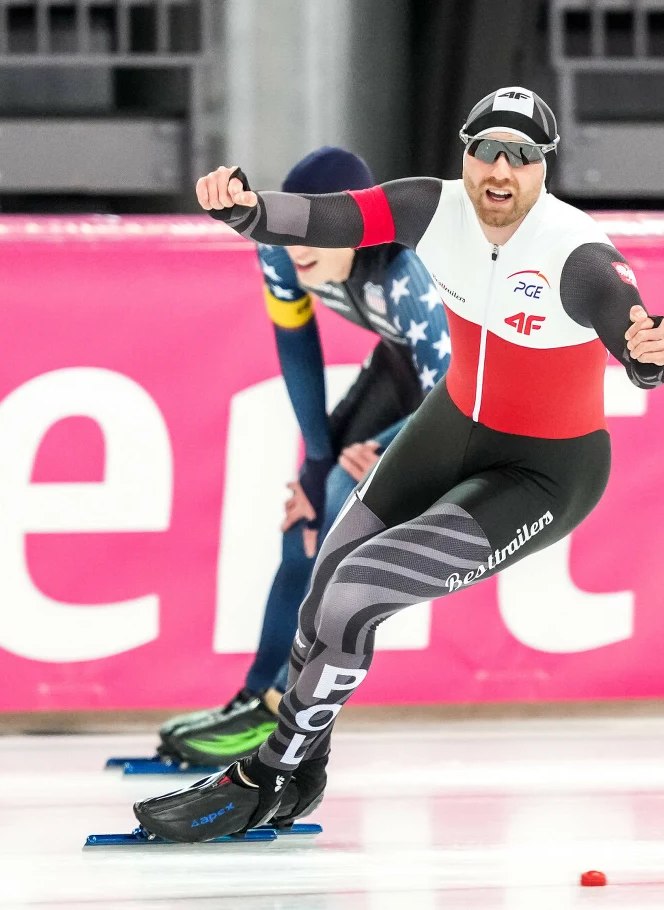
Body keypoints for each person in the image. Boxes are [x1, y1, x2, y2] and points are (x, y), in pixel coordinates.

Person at [134, 86, 664, 842]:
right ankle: (305, 769)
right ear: (466, 154)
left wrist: (647, 357)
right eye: (487, 151)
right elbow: (331, 217)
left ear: (543, 168)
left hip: (546, 471)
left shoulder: (575, 251)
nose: (501, 170)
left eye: (521, 157)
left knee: (358, 591)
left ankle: (266, 775)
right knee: (330, 571)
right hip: (451, 423)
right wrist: (248, 213)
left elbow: (632, 331)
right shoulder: (433, 206)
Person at [157, 147, 452, 767]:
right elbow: (297, 347)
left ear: (360, 228)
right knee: (306, 518)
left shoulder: (405, 273)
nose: (299, 248)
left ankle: (284, 712)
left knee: (342, 512)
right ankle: (257, 699)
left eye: (319, 231)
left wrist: (386, 450)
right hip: (404, 367)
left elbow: (457, 393)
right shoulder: (276, 247)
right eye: (294, 229)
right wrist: (316, 462)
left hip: (471, 392)